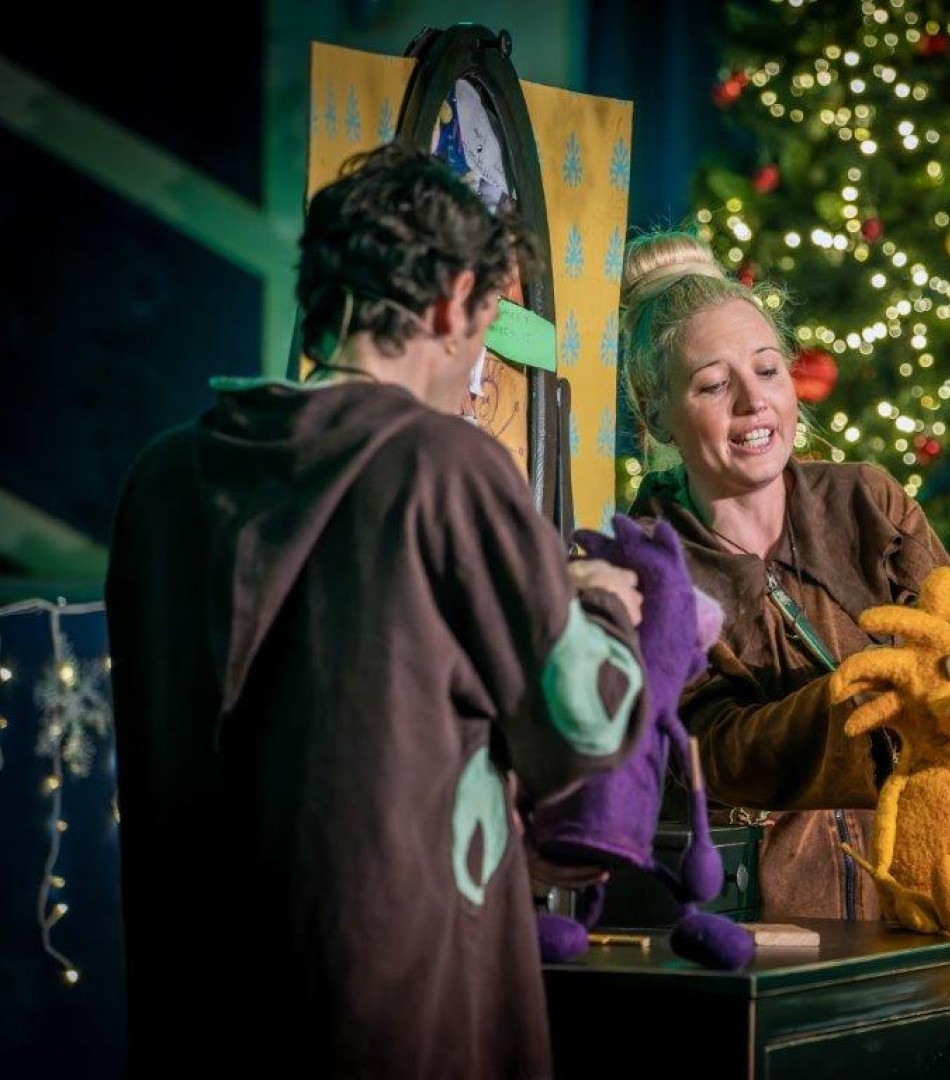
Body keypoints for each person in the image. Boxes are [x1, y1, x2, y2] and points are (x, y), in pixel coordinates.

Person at [105, 142, 648, 1079]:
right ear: (452, 302)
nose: (476, 369)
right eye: (485, 329)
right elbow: (583, 723)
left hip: (201, 995)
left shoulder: (162, 479)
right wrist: (603, 608)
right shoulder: (445, 466)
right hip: (397, 995)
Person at [620, 229, 950, 923]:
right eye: (714, 384)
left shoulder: (871, 503)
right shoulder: (642, 565)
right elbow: (709, 753)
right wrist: (871, 698)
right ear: (657, 411)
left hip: (924, 900)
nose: (753, 402)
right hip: (758, 926)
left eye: (768, 369)